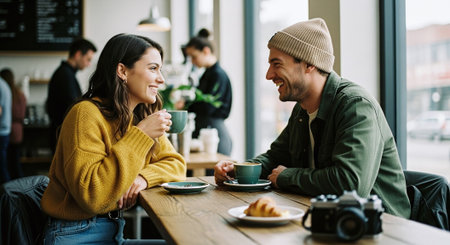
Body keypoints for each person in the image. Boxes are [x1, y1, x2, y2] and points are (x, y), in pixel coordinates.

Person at [214, 18, 411, 218]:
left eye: (277, 64)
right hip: (327, 220)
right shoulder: (301, 110)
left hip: (380, 227)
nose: (268, 75)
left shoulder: (356, 106)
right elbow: (275, 157)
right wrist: (237, 171)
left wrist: (287, 177)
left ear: (309, 64)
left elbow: (351, 184)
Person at [41, 33, 186, 244]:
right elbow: (93, 196)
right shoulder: (85, 114)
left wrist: (142, 178)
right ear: (122, 71)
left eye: (160, 69)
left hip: (112, 232)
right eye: (153, 68)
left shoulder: (138, 117)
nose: (161, 79)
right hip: (75, 235)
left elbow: (177, 165)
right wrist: (141, 135)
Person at [184, 28, 233, 156]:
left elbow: (208, 106)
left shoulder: (217, 75)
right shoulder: (208, 74)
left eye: (194, 57)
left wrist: (187, 105)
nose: (193, 62)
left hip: (214, 133)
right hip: (208, 130)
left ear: (206, 51)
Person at [46, 38, 97, 152]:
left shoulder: (65, 73)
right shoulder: (65, 75)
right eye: (88, 59)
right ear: (78, 54)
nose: (89, 64)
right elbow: (74, 105)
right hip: (61, 135)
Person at [0, 68, 26, 180]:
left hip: (8, 129)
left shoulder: (6, 91)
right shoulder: (19, 94)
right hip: (17, 130)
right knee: (15, 162)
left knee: (6, 164)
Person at [0, 75, 12, 184]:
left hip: (1, 131)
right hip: (5, 130)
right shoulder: (3, 83)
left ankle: (6, 197)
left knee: (2, 168)